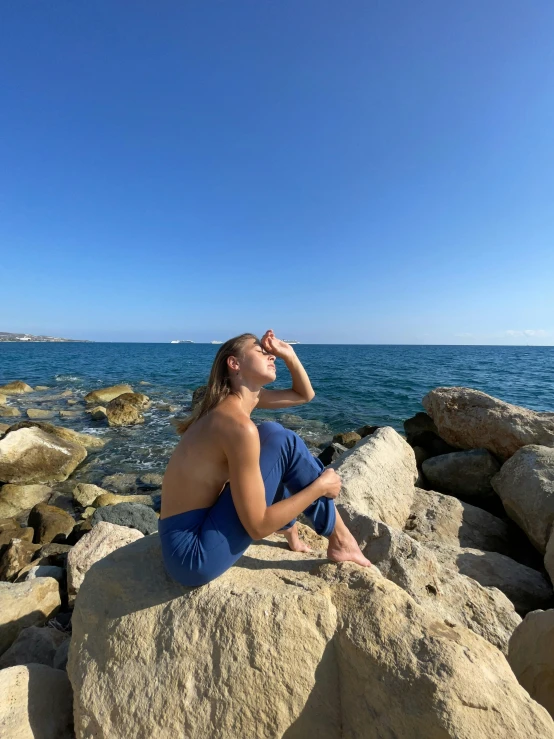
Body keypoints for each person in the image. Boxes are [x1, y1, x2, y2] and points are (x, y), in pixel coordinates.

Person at [158, 329, 371, 586]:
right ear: (234, 364)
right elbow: (257, 527)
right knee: (285, 442)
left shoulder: (231, 404)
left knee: (271, 432)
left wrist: (289, 354)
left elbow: (305, 395)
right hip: (191, 556)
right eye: (261, 352)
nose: (272, 356)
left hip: (185, 532)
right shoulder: (236, 425)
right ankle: (341, 539)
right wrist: (319, 487)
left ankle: (289, 528)